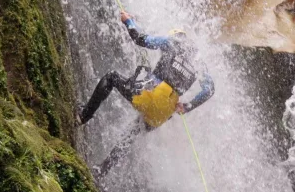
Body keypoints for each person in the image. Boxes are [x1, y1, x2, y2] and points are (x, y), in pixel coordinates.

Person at [79, 11, 215, 128]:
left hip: (151, 95)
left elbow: (140, 39)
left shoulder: (171, 41)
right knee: (139, 127)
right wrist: (187, 107)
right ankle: (112, 160)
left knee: (111, 77)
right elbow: (209, 90)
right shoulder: (198, 61)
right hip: (164, 113)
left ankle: (83, 116)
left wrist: (128, 21)